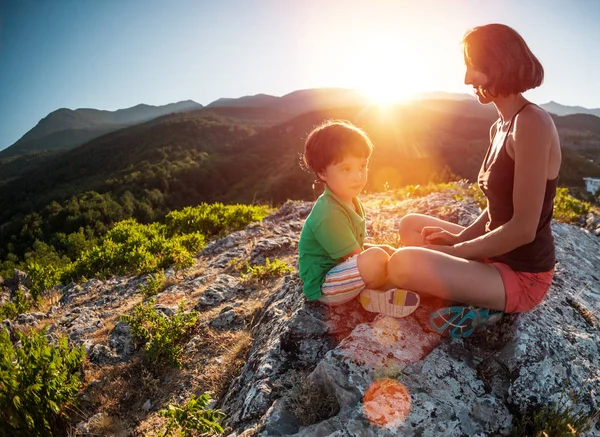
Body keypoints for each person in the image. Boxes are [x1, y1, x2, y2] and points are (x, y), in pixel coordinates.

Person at [387, 23, 562, 337]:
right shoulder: (500, 126)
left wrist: (457, 252)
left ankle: (482, 303)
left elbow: (523, 229)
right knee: (411, 225)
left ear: (500, 65)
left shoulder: (532, 123)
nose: (467, 78)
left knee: (403, 264)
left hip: (522, 274)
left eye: (474, 67)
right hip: (495, 252)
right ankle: (469, 292)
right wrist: (456, 239)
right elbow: (496, 209)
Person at [298, 120, 420, 318]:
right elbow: (353, 256)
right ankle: (377, 295)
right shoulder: (329, 213)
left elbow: (356, 249)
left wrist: (386, 255)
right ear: (322, 172)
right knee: (377, 260)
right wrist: (385, 264)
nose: (357, 176)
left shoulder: (349, 200)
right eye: (346, 169)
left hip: (341, 268)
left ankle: (387, 288)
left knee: (387, 251)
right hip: (325, 285)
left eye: (362, 166)